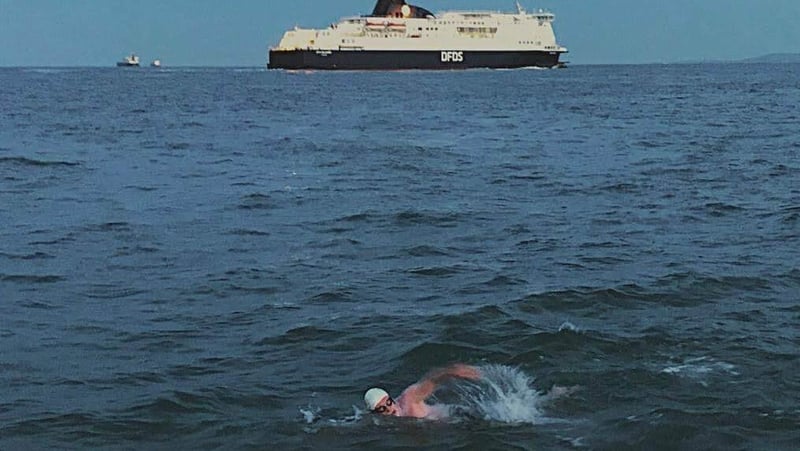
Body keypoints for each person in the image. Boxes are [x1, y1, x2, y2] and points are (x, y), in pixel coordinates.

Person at [364, 364, 481, 419]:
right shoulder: (386, 421)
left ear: (390, 398)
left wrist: (451, 371)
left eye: (388, 402)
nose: (389, 409)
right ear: (376, 412)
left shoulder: (408, 398)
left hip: (460, 416)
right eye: (382, 408)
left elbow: (431, 380)